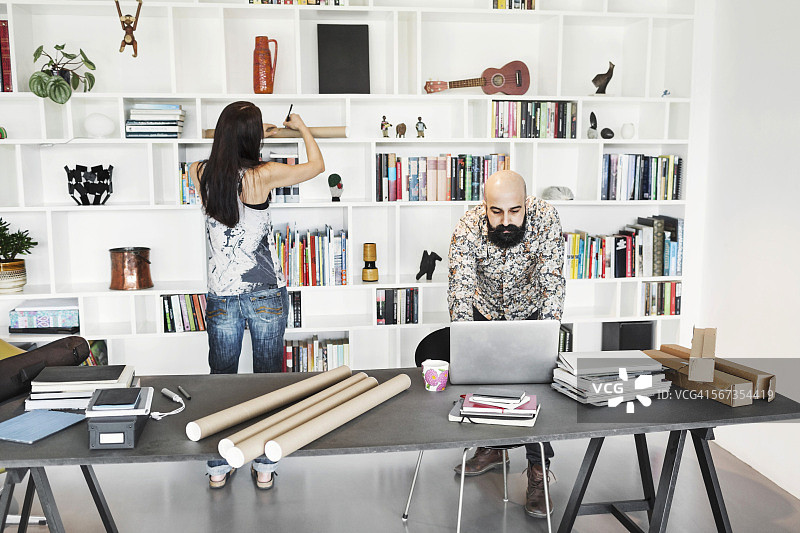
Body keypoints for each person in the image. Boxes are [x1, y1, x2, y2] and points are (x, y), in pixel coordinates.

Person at [190, 102, 324, 490]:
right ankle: (263, 465)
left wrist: (254, 131)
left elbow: (230, 156)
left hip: (222, 296)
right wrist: (299, 127)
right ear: (253, 139)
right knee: (268, 383)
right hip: (265, 293)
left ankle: (218, 467)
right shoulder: (263, 176)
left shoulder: (200, 172)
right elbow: (317, 165)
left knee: (222, 381)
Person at [447, 169, 565, 518]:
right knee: (484, 380)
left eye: (514, 211)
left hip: (531, 314)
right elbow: (460, 290)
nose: (506, 220)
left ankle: (539, 470)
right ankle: (493, 447)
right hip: (484, 313)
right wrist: (467, 343)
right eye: (496, 212)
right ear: (485, 206)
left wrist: (546, 337)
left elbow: (553, 281)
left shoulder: (546, 219)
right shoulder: (467, 226)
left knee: (536, 386)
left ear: (525, 203)